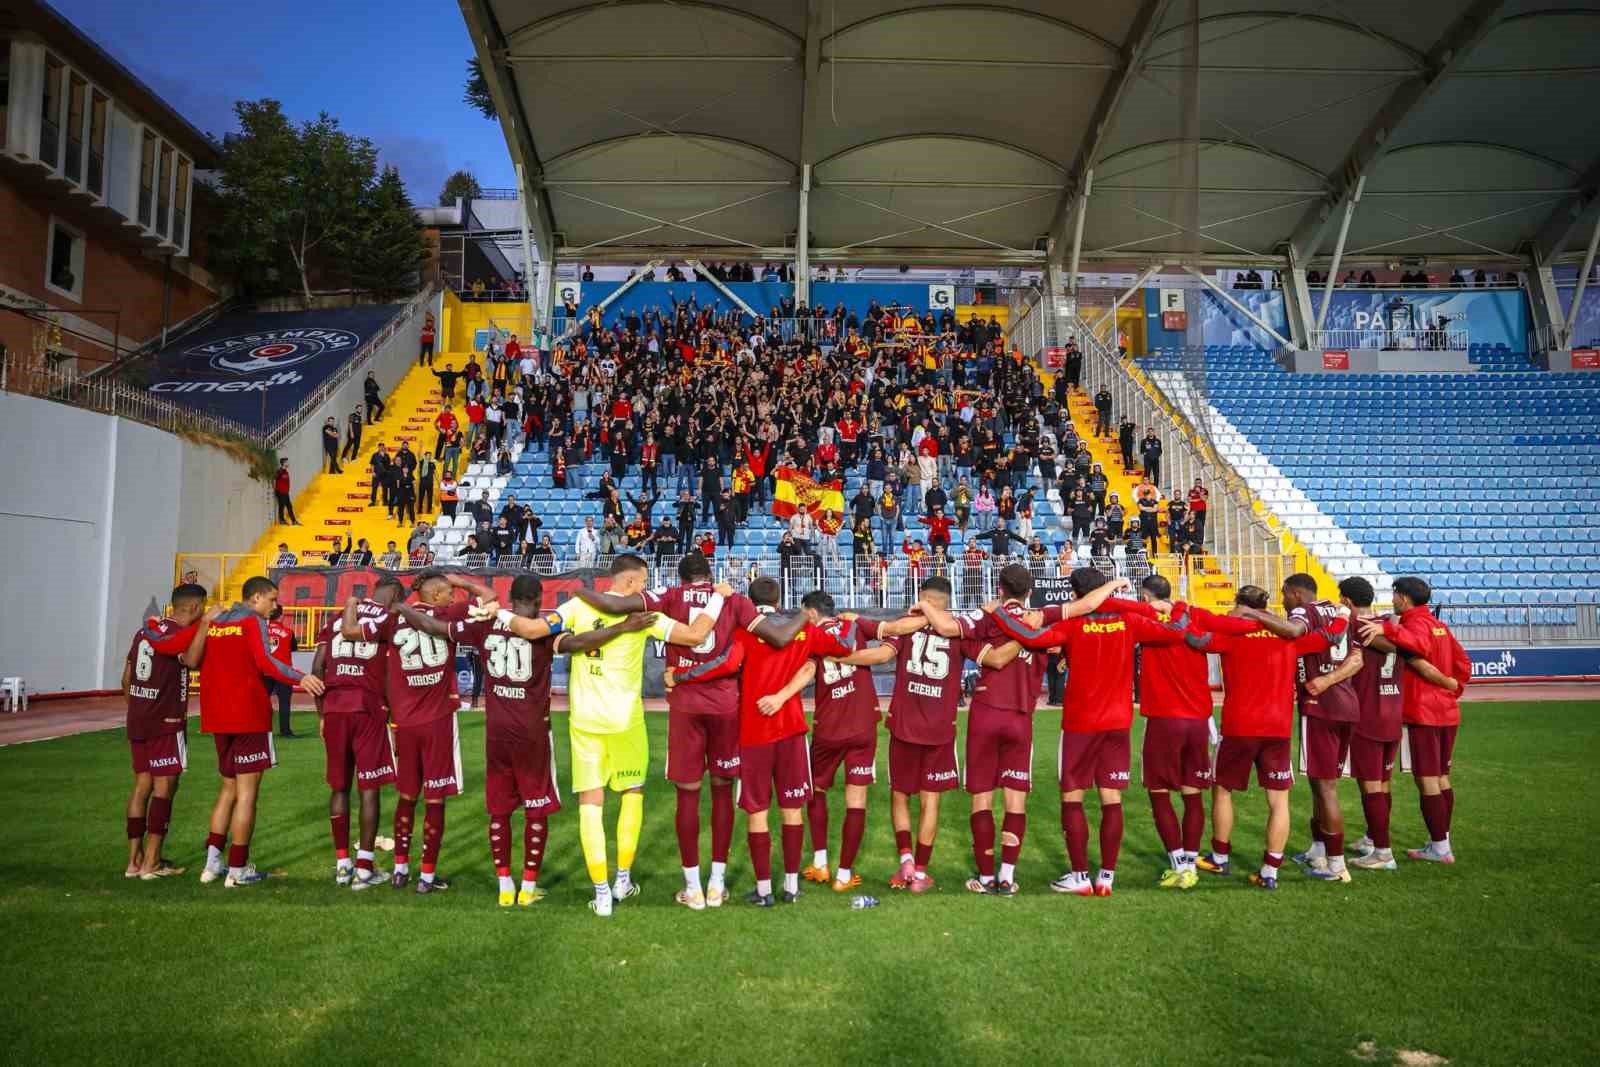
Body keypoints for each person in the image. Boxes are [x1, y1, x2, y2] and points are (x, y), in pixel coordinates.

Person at [491, 555, 725, 916]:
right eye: (643, 581)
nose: (645, 588)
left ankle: (601, 894)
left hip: (585, 722)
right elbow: (697, 635)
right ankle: (622, 879)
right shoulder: (647, 617)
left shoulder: (577, 605)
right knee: (632, 795)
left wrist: (498, 612)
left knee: (590, 803)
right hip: (626, 721)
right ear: (630, 583)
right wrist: (719, 597)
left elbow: (534, 631)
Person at [405, 574, 652, 907]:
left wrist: (398, 609)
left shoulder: (485, 625)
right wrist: (621, 628)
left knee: (500, 811)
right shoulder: (542, 630)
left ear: (509, 596)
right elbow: (580, 643)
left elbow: (435, 628)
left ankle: (505, 885)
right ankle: (528, 887)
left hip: (497, 731)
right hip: (533, 732)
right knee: (536, 810)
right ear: (538, 599)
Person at [1187, 586, 1348, 890]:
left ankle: (1220, 858)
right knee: (1278, 801)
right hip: (1278, 727)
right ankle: (1270, 870)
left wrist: (1181, 615)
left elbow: (1196, 638)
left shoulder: (1233, 636)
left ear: (1239, 606)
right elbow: (1332, 636)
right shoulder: (1288, 638)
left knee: (1222, 790)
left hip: (1240, 726)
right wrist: (1342, 616)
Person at [181, 576, 324, 887]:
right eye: (271, 599)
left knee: (227, 790)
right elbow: (266, 663)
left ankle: (211, 865)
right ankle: (238, 868)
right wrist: (301, 678)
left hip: (217, 716)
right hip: (247, 715)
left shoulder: (215, 620)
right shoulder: (252, 620)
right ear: (256, 597)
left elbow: (194, 660)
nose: (274, 606)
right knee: (248, 795)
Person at [847, 577, 983, 892]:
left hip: (905, 724)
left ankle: (905, 859)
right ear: (947, 601)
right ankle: (920, 872)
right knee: (930, 800)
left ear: (922, 597)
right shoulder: (959, 629)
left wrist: (844, 656)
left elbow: (882, 655)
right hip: (939, 727)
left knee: (900, 794)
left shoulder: (907, 626)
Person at [342, 571, 473, 894]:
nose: (453, 598)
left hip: (405, 724)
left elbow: (348, 631)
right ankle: (427, 877)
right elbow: (489, 600)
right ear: (438, 596)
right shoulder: (449, 614)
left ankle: (400, 869)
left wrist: (350, 603)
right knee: (435, 799)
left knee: (406, 797)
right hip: (439, 720)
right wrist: (465, 582)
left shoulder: (392, 619)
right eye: (449, 593)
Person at [1357, 576, 1471, 864]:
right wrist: (1453, 689)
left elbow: (1416, 644)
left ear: (1403, 598)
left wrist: (1385, 627)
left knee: (1428, 779)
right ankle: (1441, 841)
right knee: (1442, 777)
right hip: (1446, 712)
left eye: (1395, 595)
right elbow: (1463, 664)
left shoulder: (1415, 623)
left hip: (1424, 712)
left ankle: (1441, 847)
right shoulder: (1439, 625)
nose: (1392, 599)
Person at [310, 577, 402, 889]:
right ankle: (364, 867)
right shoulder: (388, 618)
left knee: (338, 788)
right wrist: (393, 714)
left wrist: (322, 713)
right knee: (369, 787)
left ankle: (341, 865)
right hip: (367, 707)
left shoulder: (337, 617)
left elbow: (318, 667)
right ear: (393, 597)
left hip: (335, 707)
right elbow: (389, 672)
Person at [121, 583, 207, 879]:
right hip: (166, 722)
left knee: (140, 786)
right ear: (195, 607)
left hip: (138, 719)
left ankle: (134, 861)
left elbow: (127, 676)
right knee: (164, 789)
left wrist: (138, 707)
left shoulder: (146, 631)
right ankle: (152, 863)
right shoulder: (181, 636)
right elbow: (194, 661)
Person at [266, 606, 298, 738]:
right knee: (284, 703)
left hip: (265, 672)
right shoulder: (288, 632)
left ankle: (259, 729)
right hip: (283, 672)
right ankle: (285, 731)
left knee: (259, 702)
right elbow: (293, 648)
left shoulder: (260, 631)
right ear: (281, 616)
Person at [274, 459, 300, 525]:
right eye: (286, 462)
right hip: (281, 492)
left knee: (287, 506)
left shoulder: (286, 471)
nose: (288, 463)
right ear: (283, 463)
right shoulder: (280, 471)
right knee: (283, 506)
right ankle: (283, 520)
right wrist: (277, 491)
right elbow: (275, 478)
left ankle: (292, 521)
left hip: (285, 492)